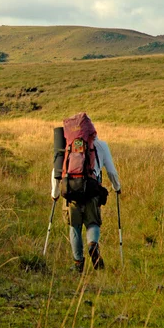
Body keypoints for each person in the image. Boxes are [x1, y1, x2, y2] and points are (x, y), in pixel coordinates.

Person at [51, 115, 121, 273]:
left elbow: (57, 171)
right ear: (91, 130)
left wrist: (55, 193)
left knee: (74, 226)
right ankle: (92, 244)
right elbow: (111, 171)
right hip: (91, 190)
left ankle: (78, 264)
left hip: (70, 191)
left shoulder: (68, 145)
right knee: (93, 223)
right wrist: (117, 187)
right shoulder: (101, 146)